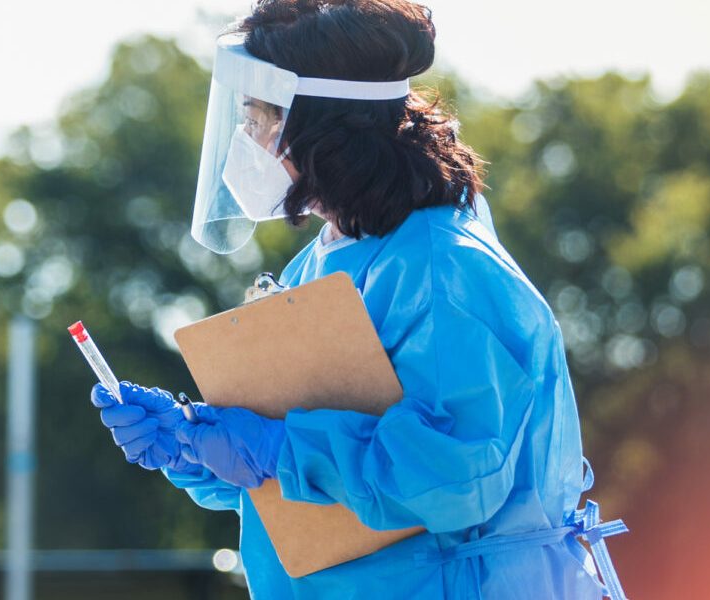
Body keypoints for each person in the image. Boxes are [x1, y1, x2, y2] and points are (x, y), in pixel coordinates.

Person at [89, 1, 628, 598]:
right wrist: (195, 442)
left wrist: (273, 448)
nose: (247, 141)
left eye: (260, 120)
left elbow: (452, 479)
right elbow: (303, 483)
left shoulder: (446, 271)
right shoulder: (322, 263)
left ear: (320, 129)